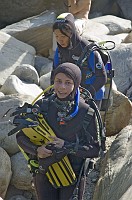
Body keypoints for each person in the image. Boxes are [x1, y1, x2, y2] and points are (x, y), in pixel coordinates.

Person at [16, 62, 100, 200]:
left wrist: (66, 146)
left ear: (76, 84)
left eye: (68, 82)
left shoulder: (86, 112)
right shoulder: (42, 106)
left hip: (73, 176)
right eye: (58, 81)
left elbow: (95, 150)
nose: (62, 87)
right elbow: (20, 137)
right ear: (53, 81)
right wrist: (37, 150)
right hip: (44, 173)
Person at [52, 13, 107, 110]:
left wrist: (86, 94)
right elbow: (54, 72)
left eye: (63, 36)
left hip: (92, 92)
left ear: (71, 33)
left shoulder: (88, 50)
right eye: (56, 36)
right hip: (70, 90)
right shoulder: (59, 51)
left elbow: (102, 77)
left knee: (89, 122)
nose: (60, 40)